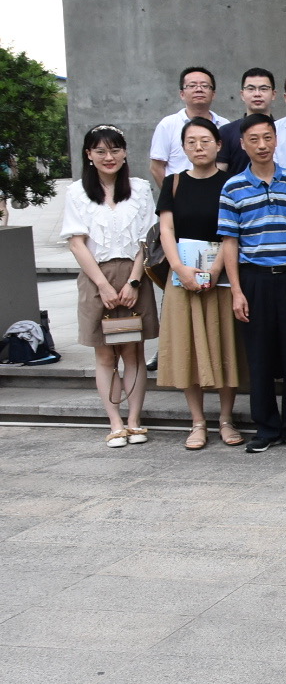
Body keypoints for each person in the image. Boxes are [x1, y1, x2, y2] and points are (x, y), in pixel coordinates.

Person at [217, 113, 286, 453]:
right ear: (242, 144)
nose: (262, 145)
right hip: (254, 279)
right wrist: (237, 291)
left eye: (267, 137)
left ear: (276, 139)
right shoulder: (232, 187)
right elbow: (230, 242)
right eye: (254, 139)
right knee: (259, 356)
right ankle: (266, 427)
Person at [64, 124, 158, 448]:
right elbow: (77, 243)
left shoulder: (140, 188)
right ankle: (115, 423)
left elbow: (147, 240)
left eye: (115, 149)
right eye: (101, 151)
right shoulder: (77, 192)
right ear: (89, 155)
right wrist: (103, 286)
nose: (109, 157)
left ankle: (134, 421)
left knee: (133, 352)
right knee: (105, 355)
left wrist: (134, 281)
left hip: (134, 276)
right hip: (96, 277)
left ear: (125, 152)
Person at [156, 118, 245, 450]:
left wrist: (217, 269)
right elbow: (166, 230)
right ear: (183, 147)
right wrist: (180, 269)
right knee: (187, 347)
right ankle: (197, 422)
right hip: (182, 278)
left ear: (218, 145)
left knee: (225, 346)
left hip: (221, 279)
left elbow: (232, 232)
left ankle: (226, 419)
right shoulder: (174, 182)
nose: (198, 147)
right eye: (191, 141)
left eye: (205, 140)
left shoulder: (231, 183)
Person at [149, 67, 228, 181]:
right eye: (192, 85)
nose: (199, 89)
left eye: (205, 86)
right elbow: (156, 167)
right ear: (182, 94)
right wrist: (171, 191)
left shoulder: (225, 125)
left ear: (213, 94)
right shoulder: (167, 125)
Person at [217, 68, 277, 176]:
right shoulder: (226, 132)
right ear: (242, 94)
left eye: (263, 89)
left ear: (273, 94)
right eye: (251, 89)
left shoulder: (282, 129)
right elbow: (219, 173)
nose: (257, 94)